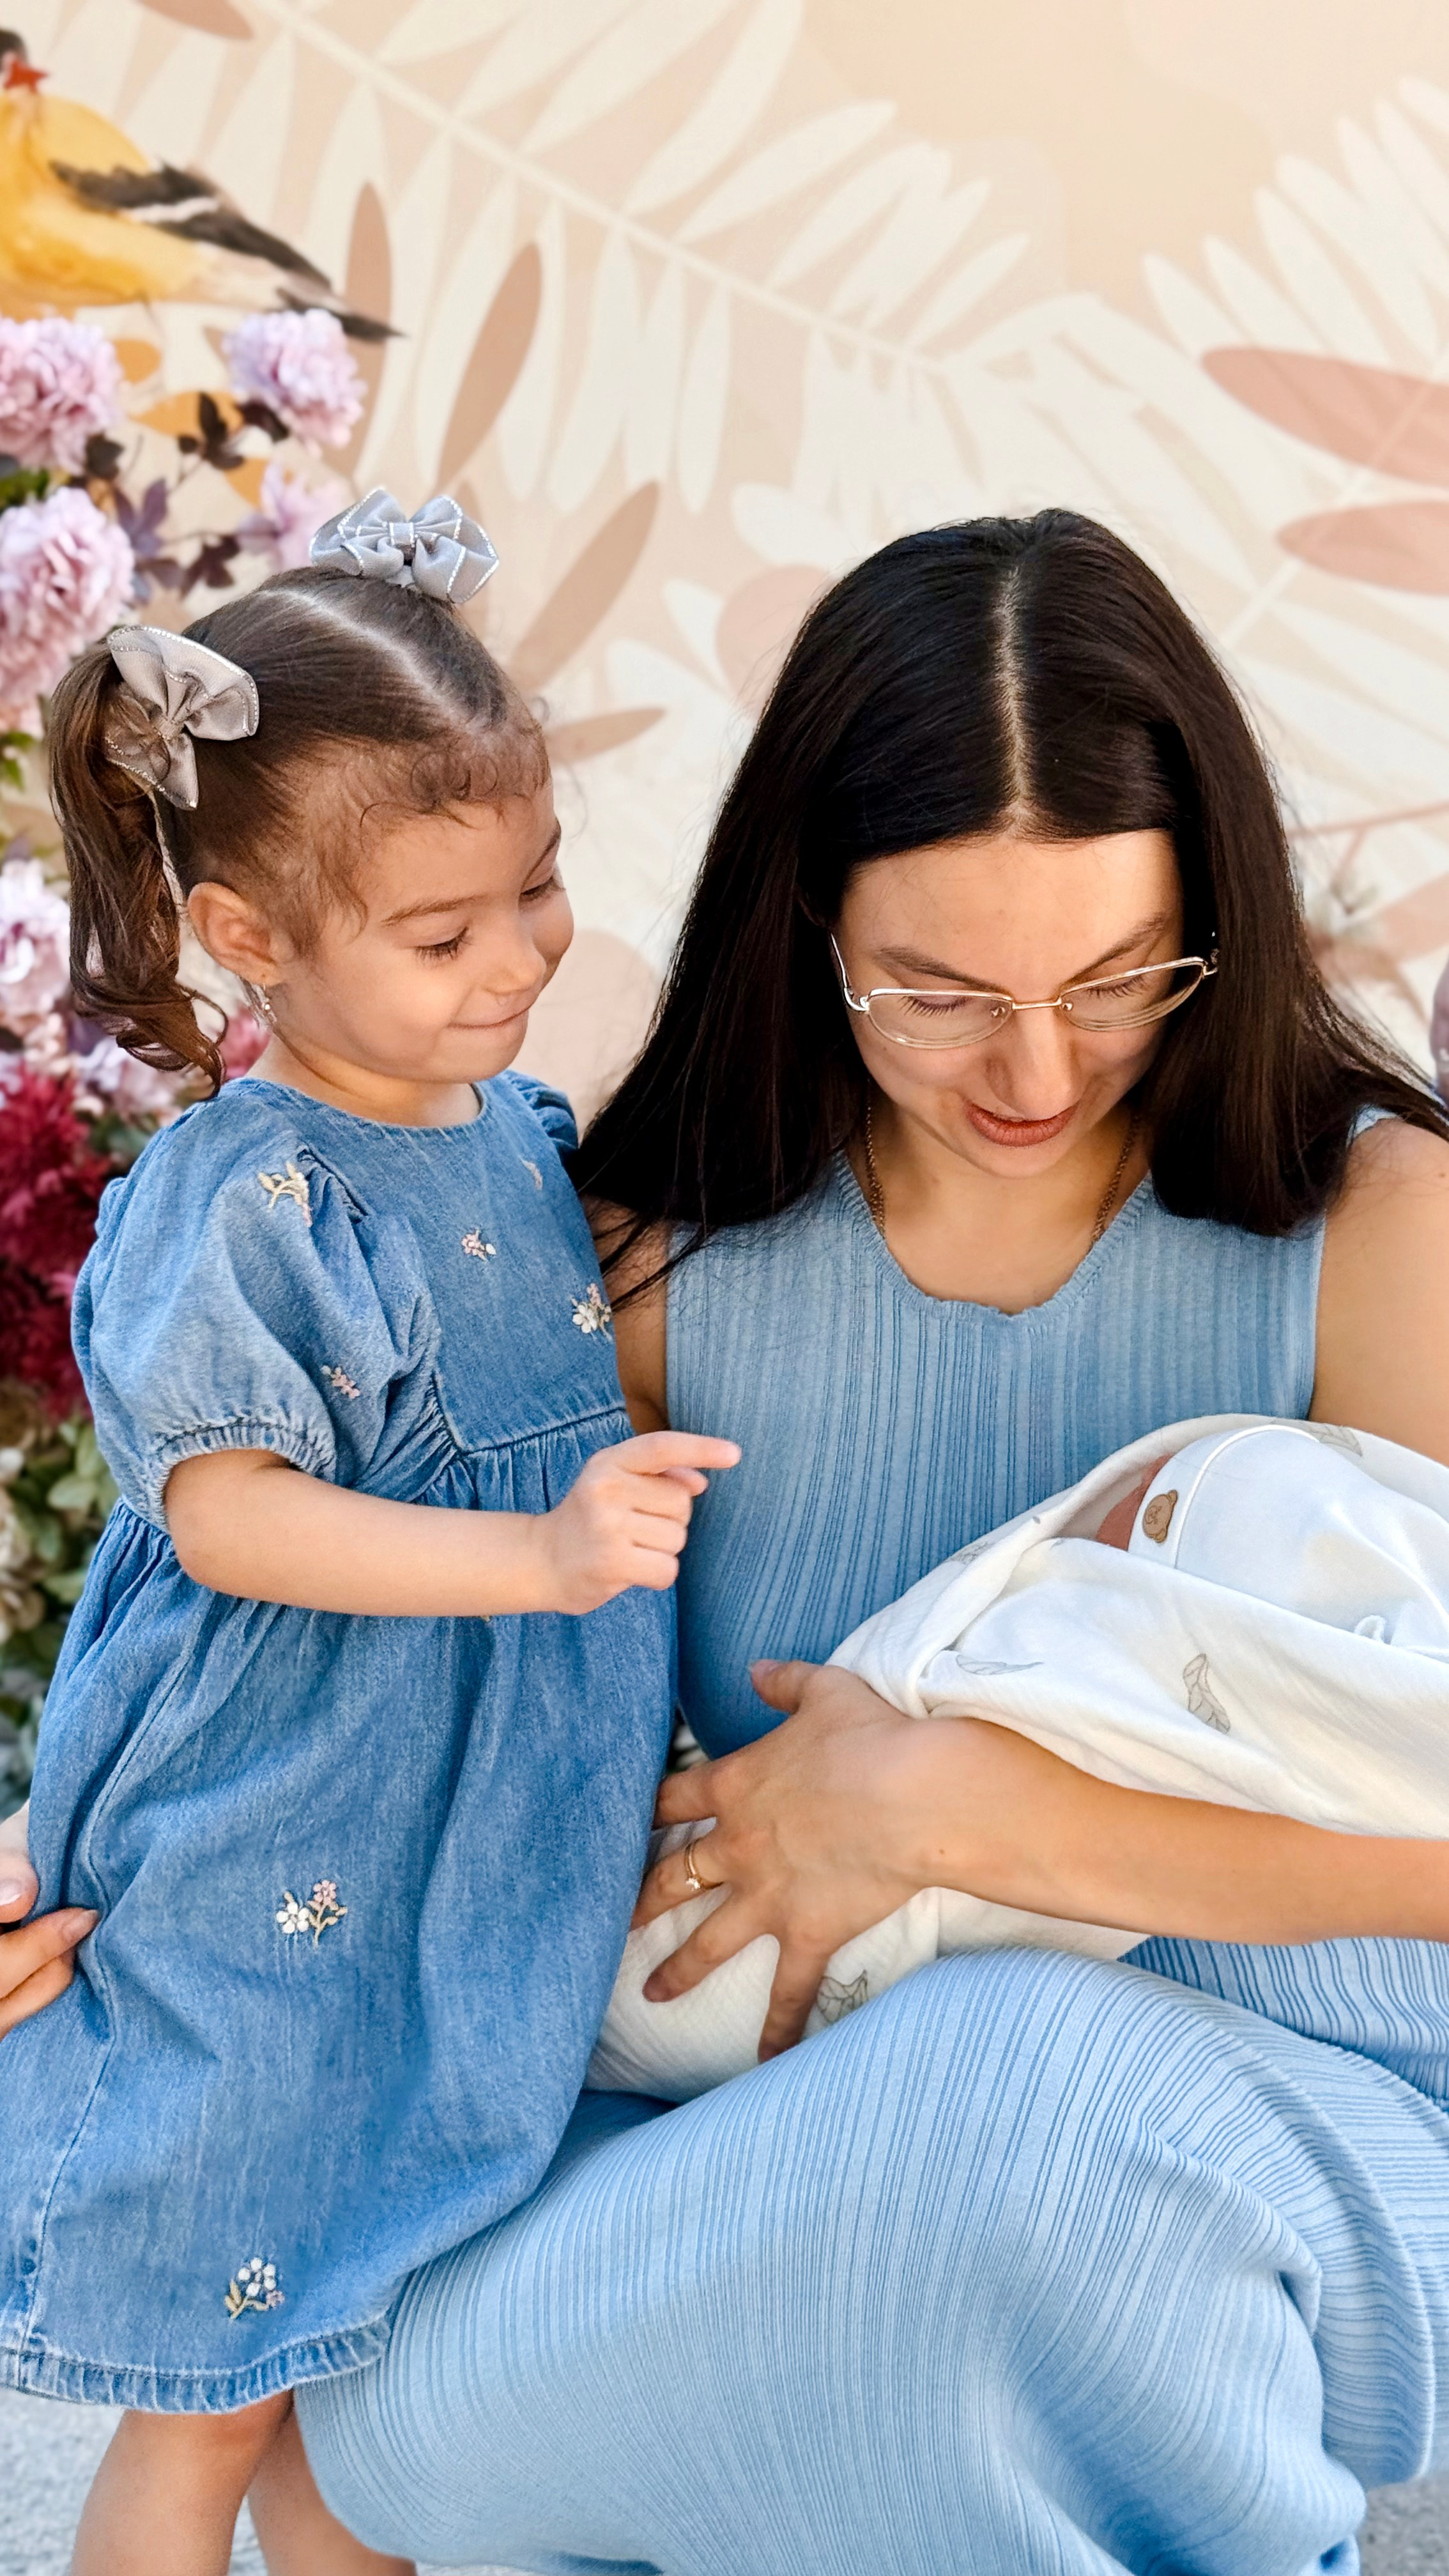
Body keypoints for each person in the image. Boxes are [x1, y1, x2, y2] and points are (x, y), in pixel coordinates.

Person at [9, 504, 1449, 2575]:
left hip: (1242, 2141)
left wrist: (968, 1813)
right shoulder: (622, 1258)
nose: (1033, 1067)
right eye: (934, 990)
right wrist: (88, 1858)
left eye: (1122, 976)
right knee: (389, 2383)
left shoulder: (1373, 1233)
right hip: (703, 2154)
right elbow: (349, 1669)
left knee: (1006, 2118)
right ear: (804, 927)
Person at [0, 494, 733, 2576]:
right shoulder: (243, 1198)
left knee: (379, 2375)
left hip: (460, 1844)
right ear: (251, 939)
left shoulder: (510, 1135)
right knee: (223, 2372)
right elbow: (231, 1520)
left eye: (540, 892)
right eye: (443, 933)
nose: (516, 958)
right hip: (281, 1837)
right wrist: (540, 1563)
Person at [594, 1414, 1449, 2099]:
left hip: (1331, 2051)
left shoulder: (1386, 1219)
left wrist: (947, 1808)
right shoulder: (641, 1274)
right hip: (677, 2003)